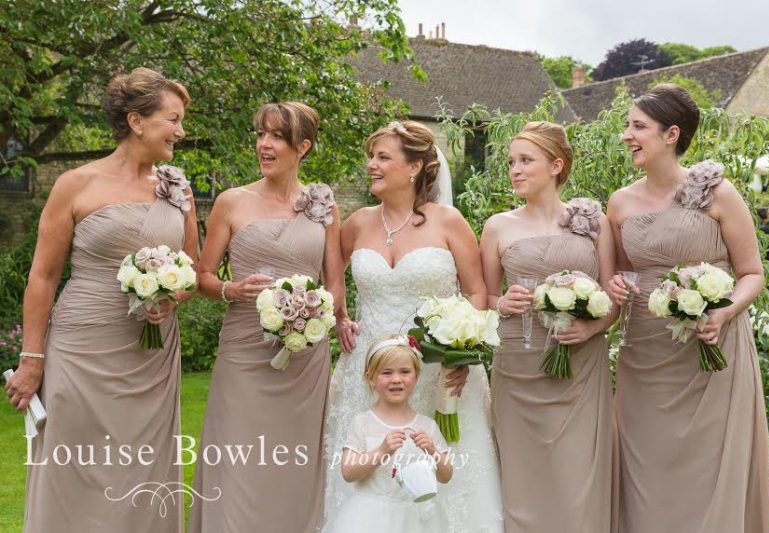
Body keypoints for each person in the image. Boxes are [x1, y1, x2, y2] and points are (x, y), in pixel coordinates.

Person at [5, 67, 196, 532]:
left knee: (142, 469)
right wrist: (32, 359)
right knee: (72, 466)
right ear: (136, 121)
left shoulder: (177, 188)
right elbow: (44, 277)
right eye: (173, 119)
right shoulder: (76, 184)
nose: (181, 131)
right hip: (81, 348)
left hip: (149, 356)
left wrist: (171, 297)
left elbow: (191, 268)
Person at [606, 83, 769, 532]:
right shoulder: (620, 203)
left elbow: (752, 273)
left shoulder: (717, 193)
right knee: (645, 471)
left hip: (710, 352)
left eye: (637, 126)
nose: (627, 135)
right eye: (627, 125)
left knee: (706, 471)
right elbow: (623, 271)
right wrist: (617, 287)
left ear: (671, 134)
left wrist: (723, 311)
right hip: (644, 357)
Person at [325, 120, 504, 532]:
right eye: (371, 156)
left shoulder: (448, 222)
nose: (371, 164)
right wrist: (341, 318)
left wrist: (463, 349)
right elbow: (331, 284)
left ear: (414, 168)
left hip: (438, 370)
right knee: (370, 474)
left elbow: (476, 293)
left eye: (382, 157)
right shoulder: (356, 224)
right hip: (367, 370)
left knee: (442, 468)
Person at [188, 102, 346, 532]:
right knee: (238, 460)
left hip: (304, 360)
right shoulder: (231, 201)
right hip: (243, 354)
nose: (264, 144)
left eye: (276, 136)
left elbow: (334, 283)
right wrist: (230, 289)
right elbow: (201, 275)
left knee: (293, 466)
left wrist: (318, 317)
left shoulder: (322, 206)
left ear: (303, 147)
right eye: (260, 134)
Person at [480, 121, 615, 533]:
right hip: (519, 369)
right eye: (511, 162)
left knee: (577, 480)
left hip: (580, 369)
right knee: (523, 479)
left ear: (556, 165)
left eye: (526, 161)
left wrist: (591, 331)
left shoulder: (594, 221)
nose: (515, 170)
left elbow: (613, 298)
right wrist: (501, 303)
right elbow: (481, 300)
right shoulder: (497, 226)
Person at [323, 334, 452, 533]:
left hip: (415, 520)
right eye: (386, 373)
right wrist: (382, 451)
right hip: (371, 518)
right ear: (371, 378)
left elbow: (446, 476)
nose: (396, 380)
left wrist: (432, 450)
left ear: (416, 377)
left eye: (405, 372)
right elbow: (348, 473)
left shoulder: (427, 426)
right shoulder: (363, 423)